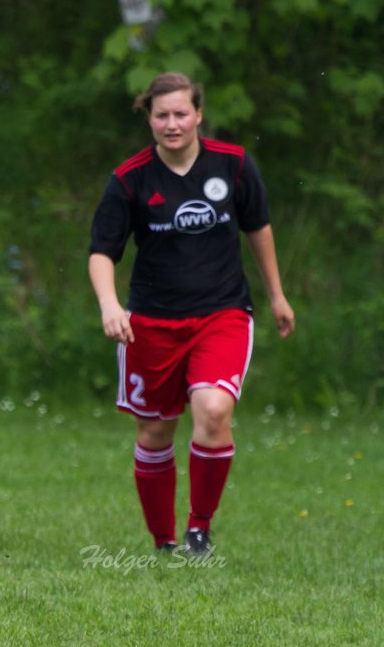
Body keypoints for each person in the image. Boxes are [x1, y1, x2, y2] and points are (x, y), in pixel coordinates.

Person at [87, 72, 295, 557]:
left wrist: (277, 295)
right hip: (152, 323)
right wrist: (110, 304)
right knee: (155, 430)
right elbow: (101, 251)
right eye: (162, 115)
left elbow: (258, 228)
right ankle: (163, 541)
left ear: (199, 114)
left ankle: (199, 529)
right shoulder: (129, 179)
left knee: (214, 410)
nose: (172, 123)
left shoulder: (235, 165)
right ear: (150, 119)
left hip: (221, 314)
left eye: (182, 113)